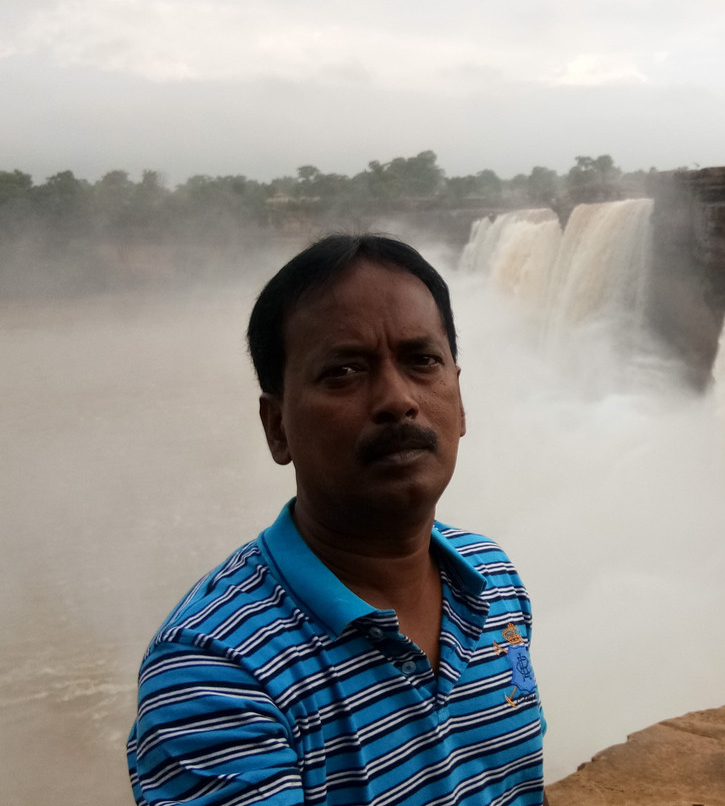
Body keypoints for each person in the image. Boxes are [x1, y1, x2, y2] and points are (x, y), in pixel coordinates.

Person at [127, 235, 545, 805]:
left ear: (461, 400)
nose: (397, 399)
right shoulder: (216, 673)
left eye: (422, 361)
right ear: (277, 427)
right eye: (344, 371)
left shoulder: (493, 581)